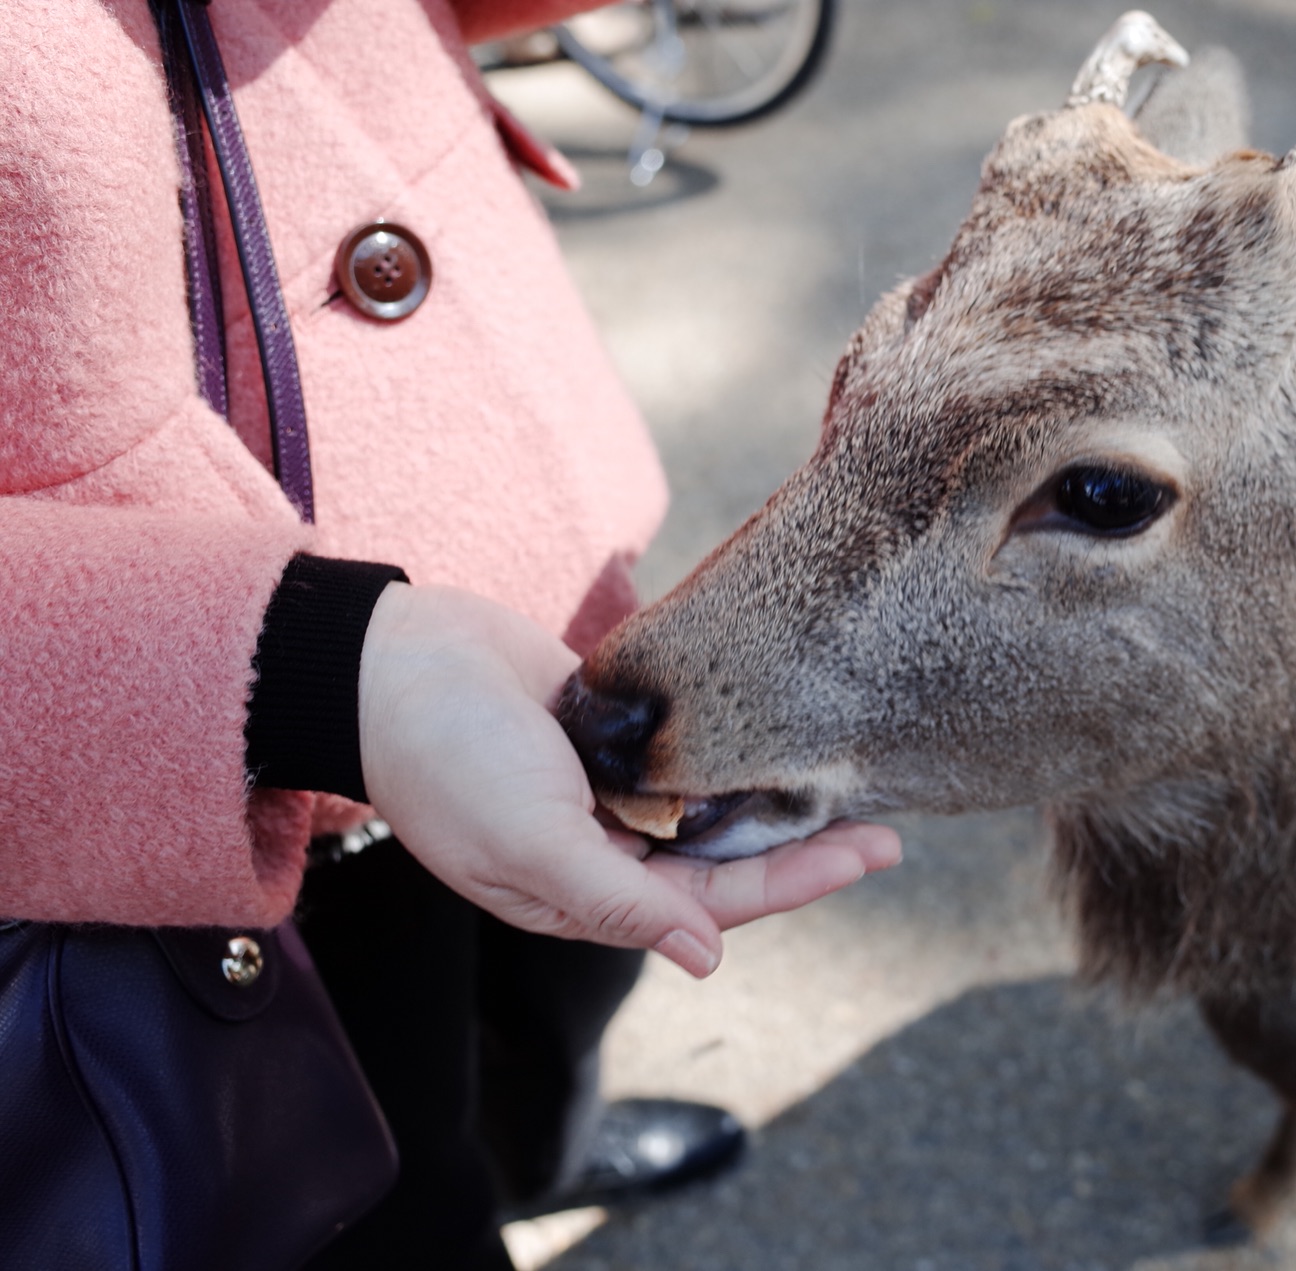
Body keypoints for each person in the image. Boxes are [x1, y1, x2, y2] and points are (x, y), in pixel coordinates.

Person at [0, 1, 900, 1267]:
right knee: (380, 1151)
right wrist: (316, 676)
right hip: (198, 736)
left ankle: (533, 1149)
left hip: (497, 521)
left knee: (558, 986)